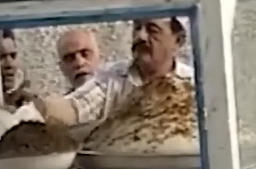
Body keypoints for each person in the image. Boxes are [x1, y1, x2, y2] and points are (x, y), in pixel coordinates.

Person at [32, 17, 193, 128]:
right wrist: (36, 108)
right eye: (137, 27)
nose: (141, 36)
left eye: (152, 30)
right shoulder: (112, 80)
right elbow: (75, 108)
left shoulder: (195, 85)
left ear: (177, 41)